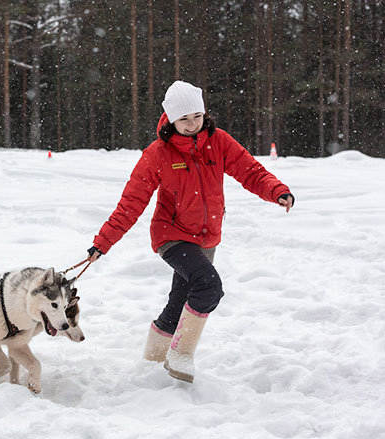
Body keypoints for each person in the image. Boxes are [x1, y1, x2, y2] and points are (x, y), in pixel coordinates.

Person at [86, 80, 294, 383]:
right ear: (170, 118)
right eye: (184, 119)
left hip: (207, 236)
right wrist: (102, 243)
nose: (192, 124)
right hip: (172, 235)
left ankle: (153, 360)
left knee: (180, 299)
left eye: (197, 116)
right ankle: (181, 355)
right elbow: (131, 203)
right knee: (208, 286)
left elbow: (249, 170)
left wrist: (277, 191)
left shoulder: (218, 141)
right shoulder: (158, 153)